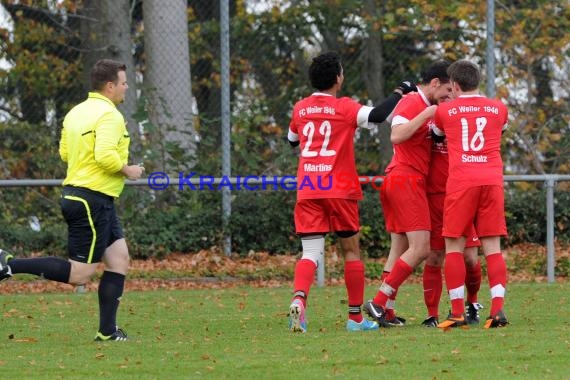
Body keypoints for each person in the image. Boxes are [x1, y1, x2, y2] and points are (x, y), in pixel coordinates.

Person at [0, 59, 144, 341]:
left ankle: (108, 332)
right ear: (110, 85)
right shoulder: (110, 115)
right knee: (80, 274)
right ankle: (8, 265)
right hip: (91, 200)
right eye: (124, 82)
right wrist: (129, 170)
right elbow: (104, 156)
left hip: (89, 197)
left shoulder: (76, 113)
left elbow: (65, 153)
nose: (127, 87)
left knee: (119, 259)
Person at [287, 51, 417, 333]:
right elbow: (380, 115)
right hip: (339, 188)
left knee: (310, 253)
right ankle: (355, 318)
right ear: (337, 78)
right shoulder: (344, 107)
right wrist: (400, 92)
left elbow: (291, 141)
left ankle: (299, 300)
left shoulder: (299, 108)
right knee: (351, 252)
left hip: (309, 187)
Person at [364, 60, 453, 327]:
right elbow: (396, 135)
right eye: (447, 89)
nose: (449, 95)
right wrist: (426, 115)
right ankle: (379, 302)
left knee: (399, 248)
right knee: (421, 248)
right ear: (435, 83)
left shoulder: (425, 105)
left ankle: (387, 311)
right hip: (406, 179)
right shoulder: (414, 102)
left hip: (400, 180)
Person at [432, 59, 509, 329]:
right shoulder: (498, 108)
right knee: (492, 248)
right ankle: (497, 310)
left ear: (453, 85)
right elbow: (499, 129)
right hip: (491, 180)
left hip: (461, 182)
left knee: (453, 246)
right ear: (478, 81)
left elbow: (437, 136)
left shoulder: (445, 111)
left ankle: (456, 313)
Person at [422, 134, 483, 327]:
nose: (445, 100)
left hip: (460, 194)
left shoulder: (460, 119)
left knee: (470, 257)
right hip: (433, 198)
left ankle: (471, 303)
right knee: (434, 256)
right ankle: (432, 315)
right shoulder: (428, 120)